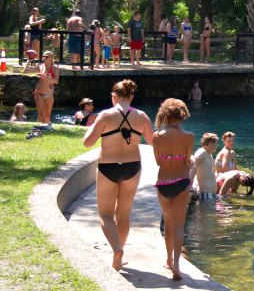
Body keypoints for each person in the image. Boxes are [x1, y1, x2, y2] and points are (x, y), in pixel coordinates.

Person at [82, 79, 154, 271]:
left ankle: (117, 250)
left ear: (113, 97)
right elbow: (154, 142)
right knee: (123, 213)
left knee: (105, 214)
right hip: (132, 167)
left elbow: (87, 143)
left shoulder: (105, 115)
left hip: (108, 167)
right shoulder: (142, 116)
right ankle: (119, 256)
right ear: (131, 96)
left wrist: (93, 125)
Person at [152, 98, 194, 280]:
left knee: (168, 224)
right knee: (179, 225)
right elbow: (187, 161)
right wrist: (188, 162)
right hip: (181, 182)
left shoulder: (157, 136)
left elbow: (158, 161)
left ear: (165, 114)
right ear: (182, 115)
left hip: (163, 183)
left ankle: (168, 260)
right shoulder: (189, 136)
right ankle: (177, 263)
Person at [33, 51, 59, 125]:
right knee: (40, 114)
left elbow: (56, 81)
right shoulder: (40, 66)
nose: (44, 58)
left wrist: (45, 77)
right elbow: (25, 71)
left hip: (49, 94)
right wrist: (28, 61)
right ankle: (37, 129)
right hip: (39, 93)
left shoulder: (54, 68)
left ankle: (46, 129)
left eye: (47, 56)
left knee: (47, 116)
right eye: (43, 56)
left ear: (51, 58)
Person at [190, 132, 219, 199]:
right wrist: (190, 185)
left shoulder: (209, 154)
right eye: (216, 144)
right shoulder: (202, 153)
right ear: (211, 144)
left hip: (211, 194)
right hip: (205, 194)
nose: (216, 146)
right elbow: (193, 168)